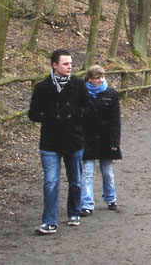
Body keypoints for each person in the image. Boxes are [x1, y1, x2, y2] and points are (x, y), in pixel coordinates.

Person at [28, 49, 88, 234]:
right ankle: (49, 221)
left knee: (75, 180)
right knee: (51, 181)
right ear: (54, 65)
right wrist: (50, 116)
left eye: (71, 63)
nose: (70, 66)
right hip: (50, 141)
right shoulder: (42, 87)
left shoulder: (78, 85)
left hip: (73, 139)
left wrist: (75, 117)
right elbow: (33, 113)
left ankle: (74, 211)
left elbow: (87, 109)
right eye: (65, 63)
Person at [80, 65, 121, 216]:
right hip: (87, 139)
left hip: (106, 139)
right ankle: (87, 203)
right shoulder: (82, 94)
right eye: (97, 77)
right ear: (90, 79)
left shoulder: (111, 94)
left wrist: (115, 142)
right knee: (87, 173)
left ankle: (111, 198)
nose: (101, 80)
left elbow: (115, 121)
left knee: (107, 172)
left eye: (102, 77)